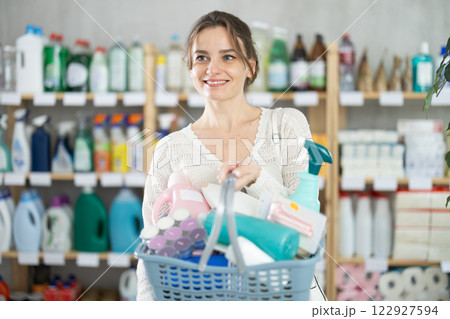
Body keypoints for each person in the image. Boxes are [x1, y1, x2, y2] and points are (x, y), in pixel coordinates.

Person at [137, 10, 314, 301]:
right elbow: (152, 253)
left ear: (251, 67)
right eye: (201, 57)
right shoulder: (169, 150)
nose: (212, 69)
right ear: (190, 69)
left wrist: (257, 179)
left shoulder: (286, 125)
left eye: (228, 57)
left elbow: (308, 231)